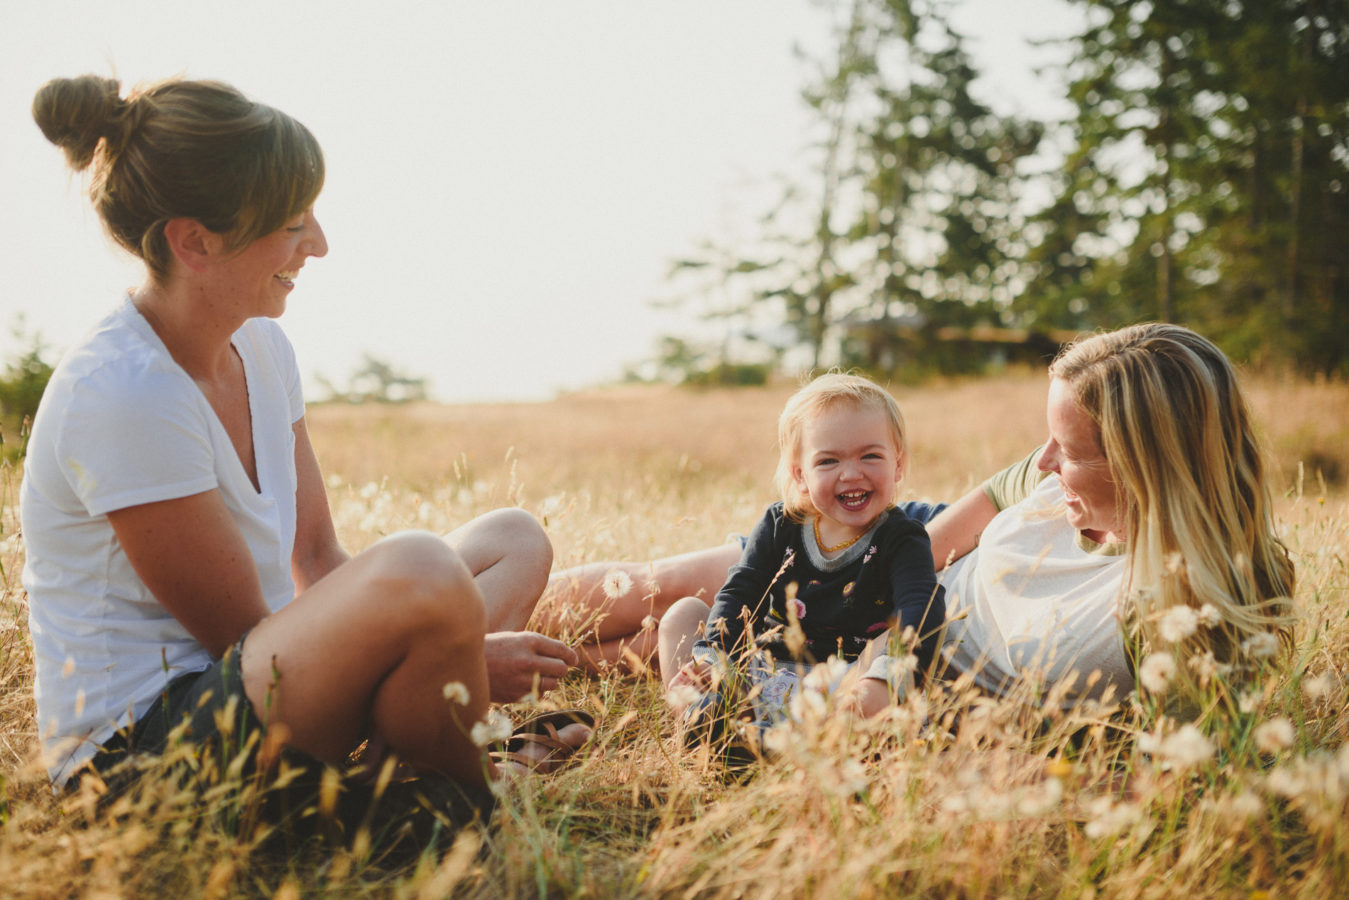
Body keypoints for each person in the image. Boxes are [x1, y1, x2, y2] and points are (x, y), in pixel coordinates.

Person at [22, 75, 590, 803]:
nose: (318, 245)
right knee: (420, 567)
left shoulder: (259, 347)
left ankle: (423, 750)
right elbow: (242, 641)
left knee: (512, 538)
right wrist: (461, 661)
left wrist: (436, 649)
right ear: (195, 241)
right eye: (292, 224)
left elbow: (317, 560)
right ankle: (475, 777)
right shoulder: (123, 393)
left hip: (267, 673)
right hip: (150, 756)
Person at [543, 324, 1295, 717]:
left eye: (1066, 450)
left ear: (1145, 462)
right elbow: (936, 538)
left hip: (912, 650)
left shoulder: (1185, 605)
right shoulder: (1046, 483)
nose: (1040, 461)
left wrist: (874, 661)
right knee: (654, 583)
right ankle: (471, 628)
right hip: (899, 554)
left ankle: (498, 668)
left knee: (659, 645)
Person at [653, 373, 945, 741]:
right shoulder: (781, 525)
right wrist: (715, 662)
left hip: (843, 691)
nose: (852, 473)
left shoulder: (902, 538)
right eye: (828, 462)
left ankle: (808, 740)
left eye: (871, 456)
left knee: (893, 641)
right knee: (681, 614)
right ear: (800, 475)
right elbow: (738, 594)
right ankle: (706, 719)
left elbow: (922, 605)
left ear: (898, 465)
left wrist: (887, 675)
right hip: (758, 678)